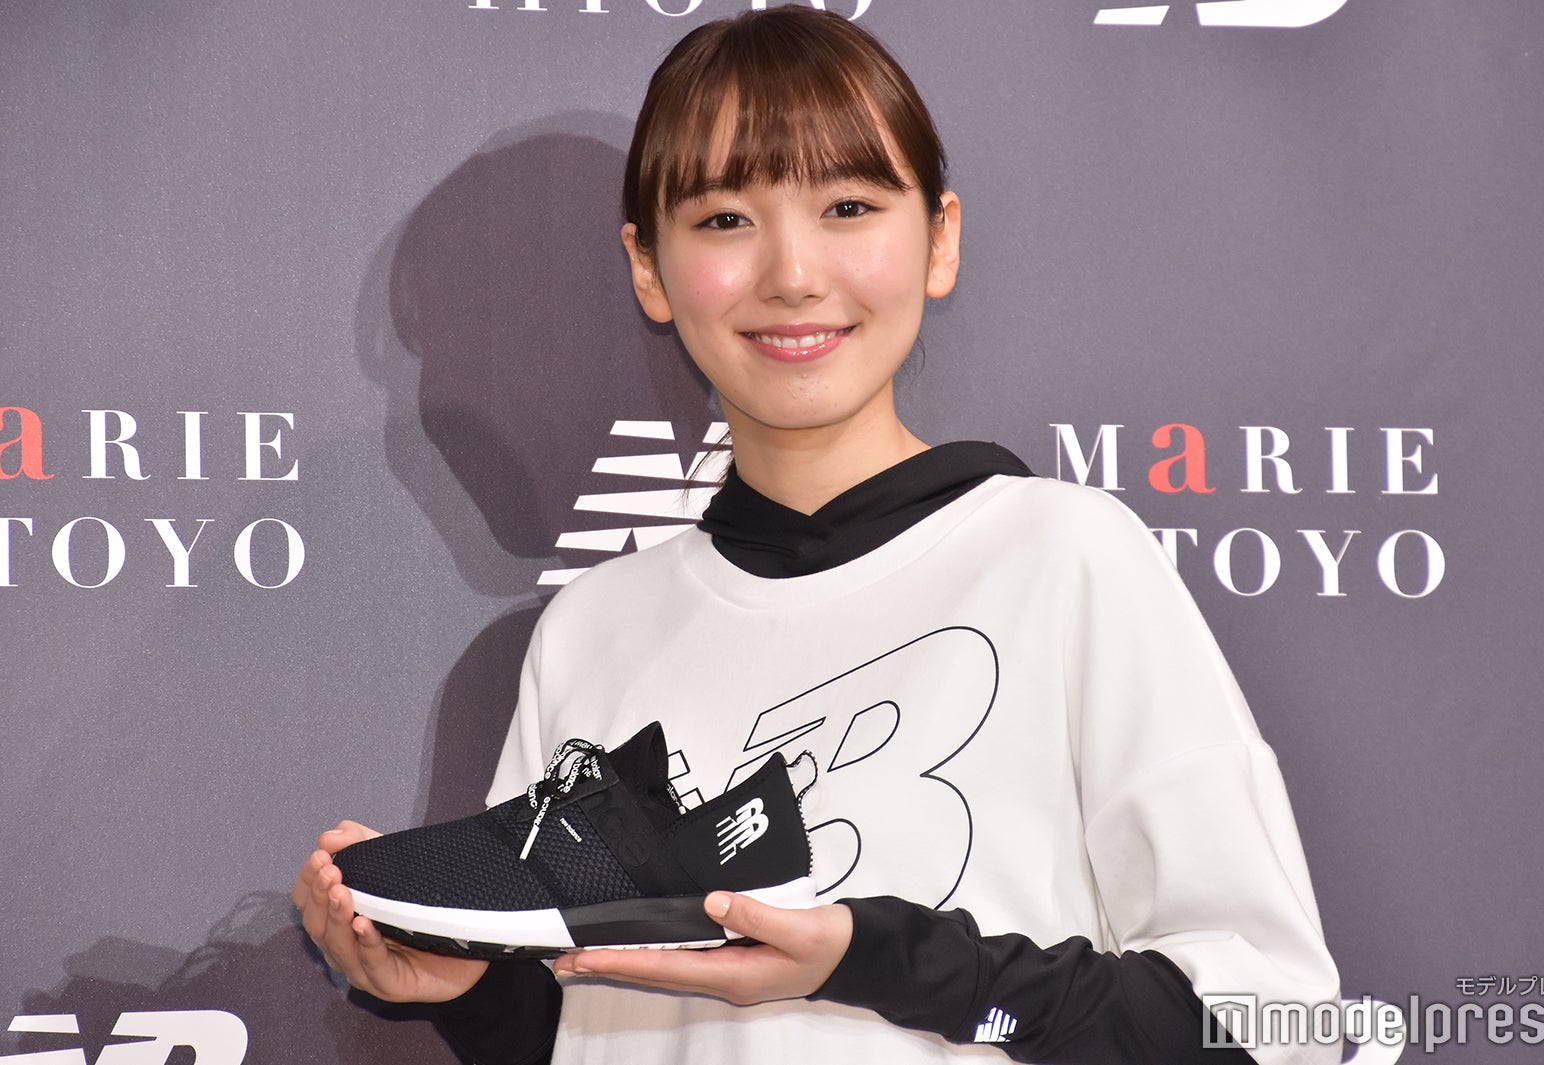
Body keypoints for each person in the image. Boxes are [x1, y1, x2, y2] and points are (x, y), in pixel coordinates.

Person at [294, 8, 1340, 1065]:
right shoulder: (589, 630)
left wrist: (879, 959)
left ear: (939, 239)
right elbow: (604, 1029)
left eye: (848, 207)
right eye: (723, 220)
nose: (792, 273)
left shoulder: (1068, 558)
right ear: (648, 267)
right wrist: (472, 991)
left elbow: (1270, 1021)